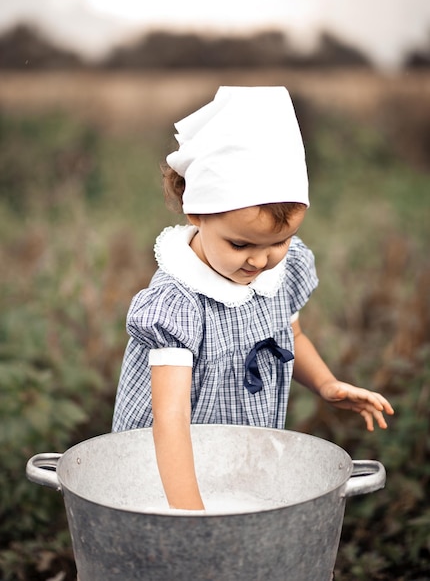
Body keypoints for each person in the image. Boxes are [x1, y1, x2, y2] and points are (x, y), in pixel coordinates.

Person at [112, 86, 394, 511]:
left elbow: (289, 334)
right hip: (168, 471)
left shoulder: (281, 270)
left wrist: (326, 383)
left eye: (281, 240)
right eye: (241, 244)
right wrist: (191, 515)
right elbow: (169, 422)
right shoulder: (177, 304)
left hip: (239, 453)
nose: (261, 260)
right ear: (196, 212)